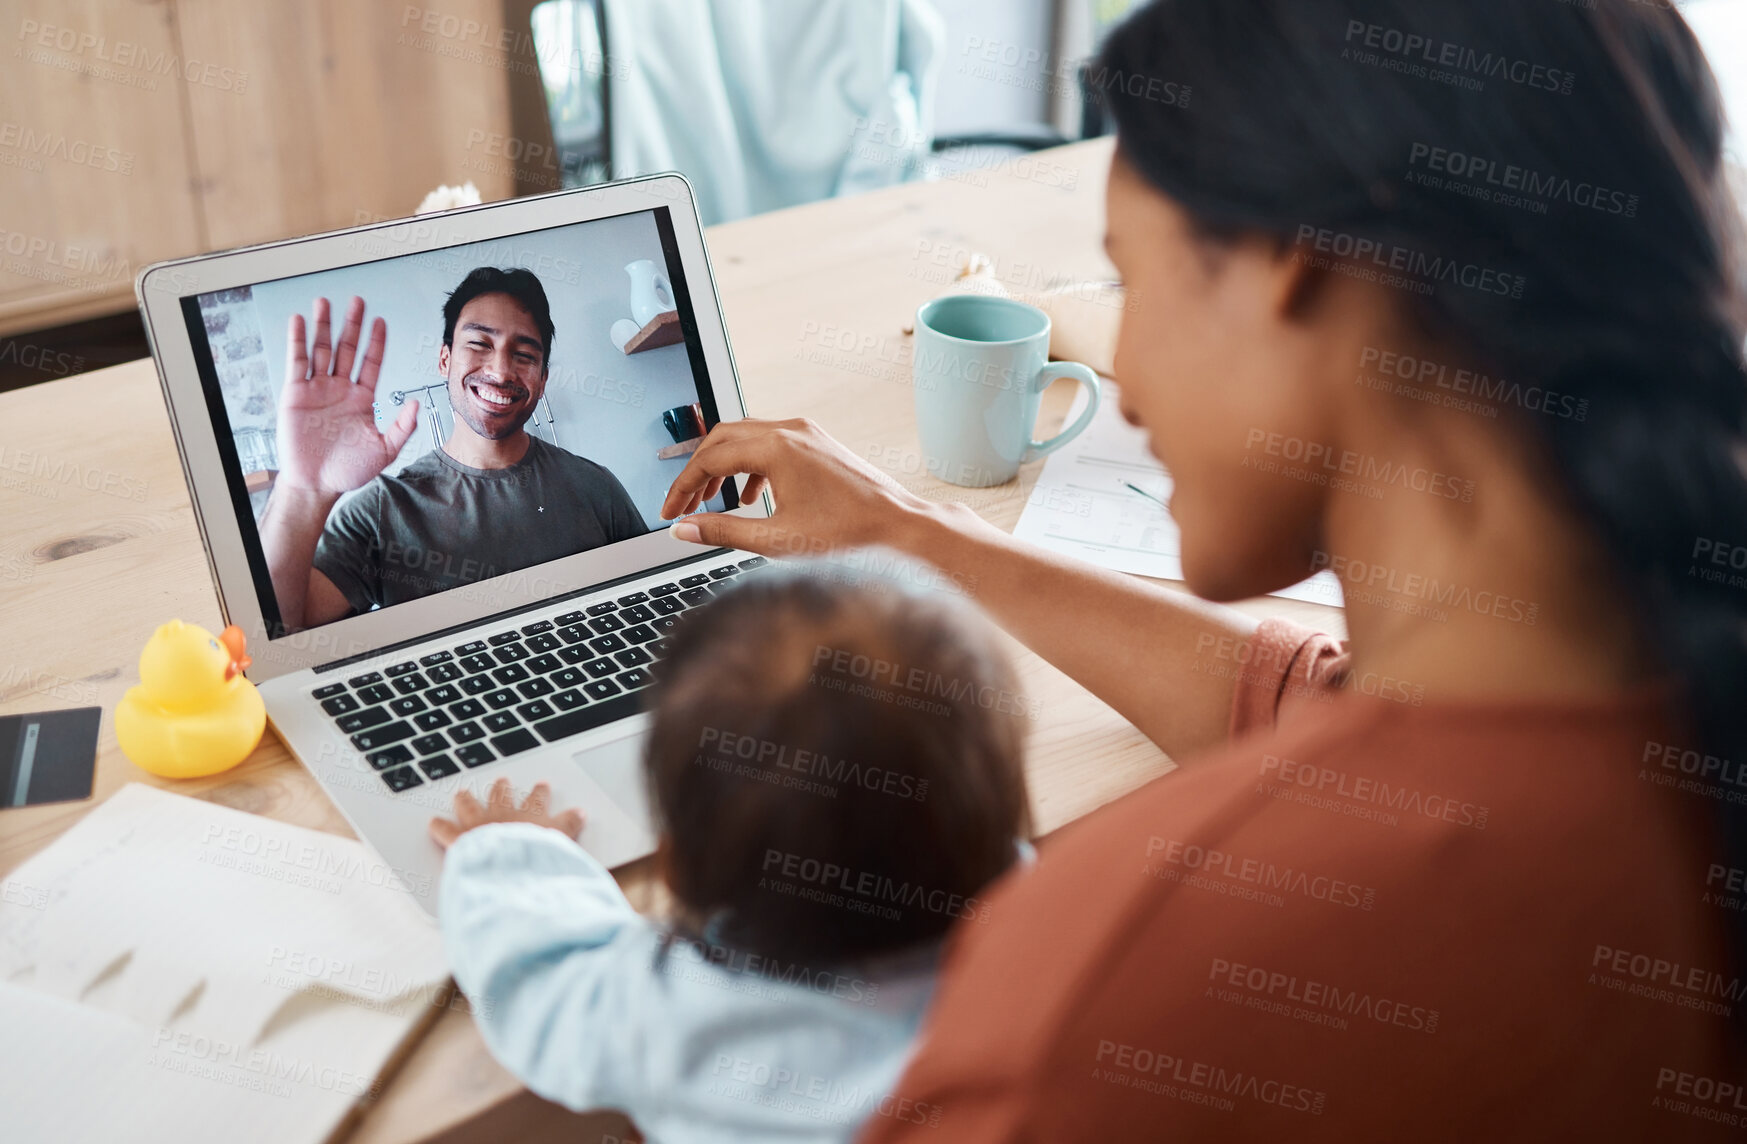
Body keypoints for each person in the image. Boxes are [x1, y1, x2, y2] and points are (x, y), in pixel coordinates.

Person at [652, 1, 1747, 1138]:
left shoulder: (1111, 1001)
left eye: (1133, 283)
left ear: (1292, 269)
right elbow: (1343, 717)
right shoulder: (1651, 693)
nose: (1121, 379)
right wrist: (915, 531)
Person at [427, 565, 1033, 1144]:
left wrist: (503, 849)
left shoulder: (673, 1017)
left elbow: (537, 986)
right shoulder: (1051, 959)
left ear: (676, 870)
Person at [258, 267, 646, 631]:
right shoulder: (382, 510)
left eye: (524, 355)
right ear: (445, 360)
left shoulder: (595, 487)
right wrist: (303, 490)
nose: (500, 371)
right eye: (479, 344)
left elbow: (651, 600)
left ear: (542, 380)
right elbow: (281, 631)